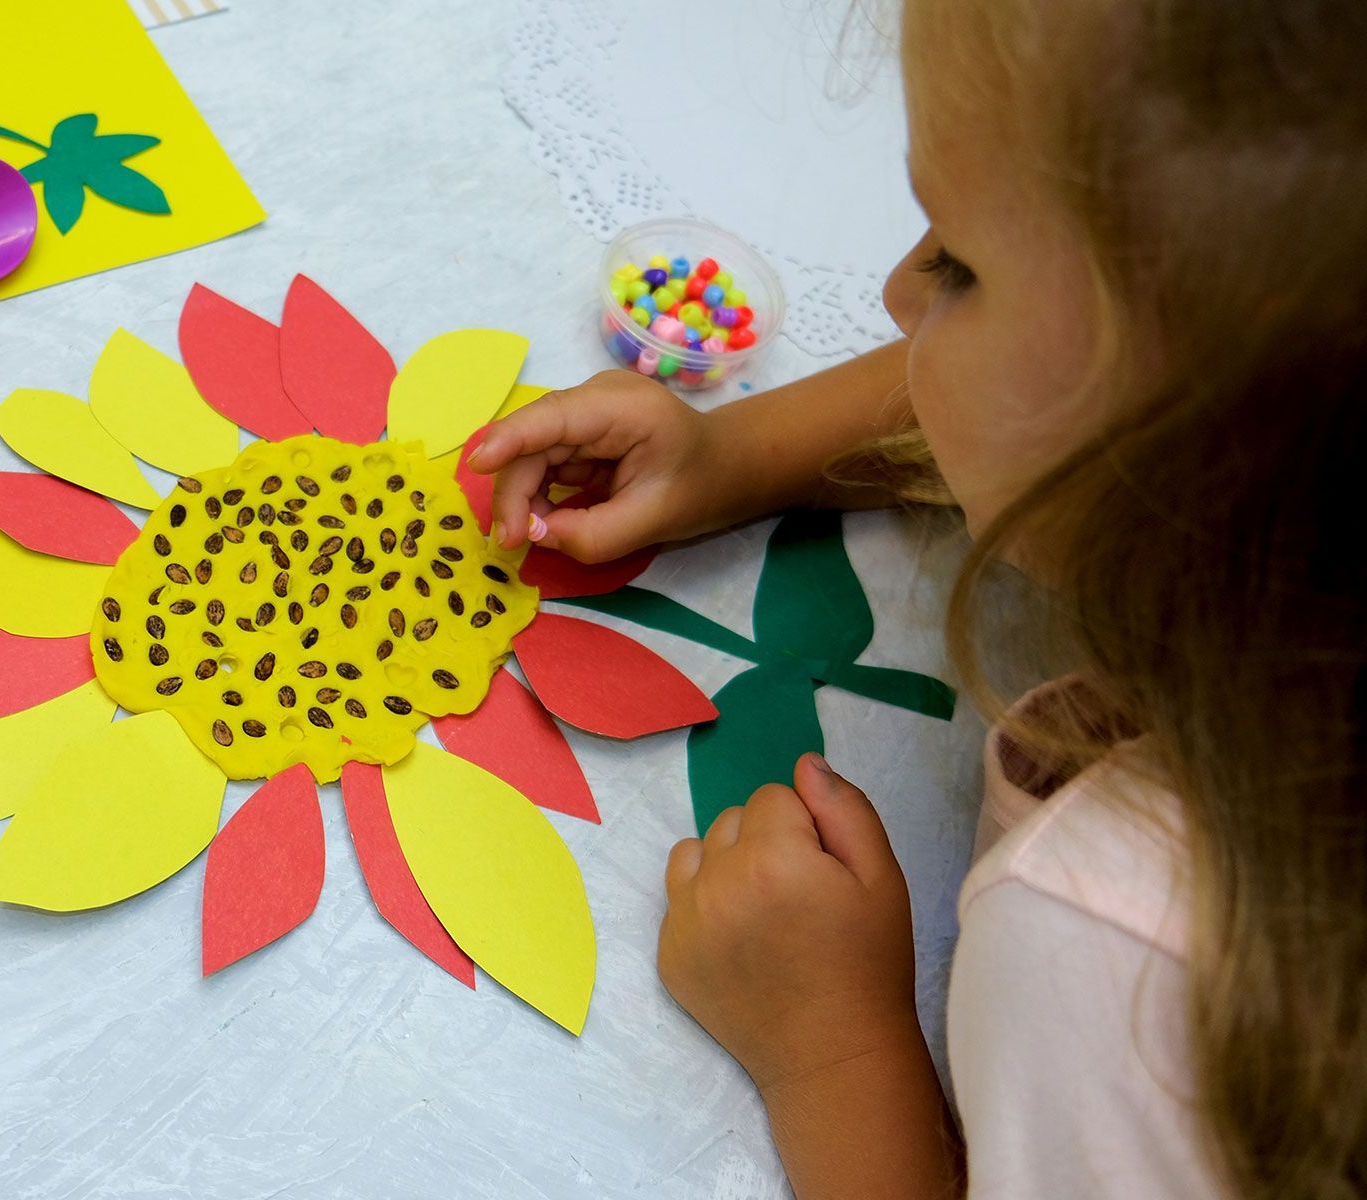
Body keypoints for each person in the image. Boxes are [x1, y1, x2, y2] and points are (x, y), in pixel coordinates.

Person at [467, 1, 1366, 1195]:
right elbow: (1088, 368)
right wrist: (740, 457)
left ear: (1198, 451)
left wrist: (834, 1049)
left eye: (958, 265)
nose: (894, 292)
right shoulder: (1298, 476)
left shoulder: (1127, 955)